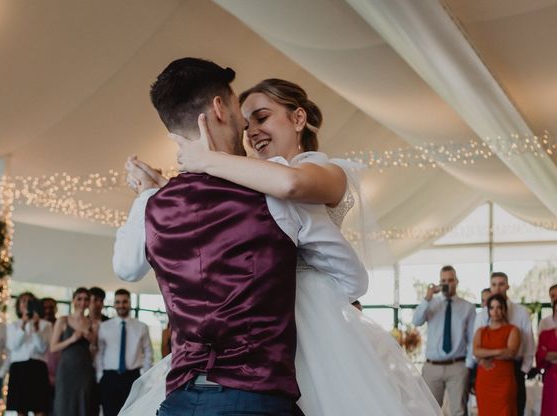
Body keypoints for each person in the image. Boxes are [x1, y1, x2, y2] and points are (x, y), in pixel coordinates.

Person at [116, 64, 440, 415]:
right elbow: (351, 277)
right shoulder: (261, 194)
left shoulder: (312, 173)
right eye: (247, 118)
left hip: (280, 342)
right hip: (260, 368)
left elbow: (291, 184)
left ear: (298, 119)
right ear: (221, 110)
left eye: (262, 117)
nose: (249, 130)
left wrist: (199, 165)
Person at [412, 265, 476, 416]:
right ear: (439, 283)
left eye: (450, 280)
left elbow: (472, 339)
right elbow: (416, 321)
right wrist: (427, 298)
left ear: (457, 281)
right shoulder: (431, 304)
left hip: (458, 367)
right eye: (443, 280)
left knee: (458, 411)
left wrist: (468, 366)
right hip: (432, 367)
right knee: (428, 410)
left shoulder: (468, 307)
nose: (447, 283)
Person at [473, 272, 534, 416]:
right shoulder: (481, 315)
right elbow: (475, 347)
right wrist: (482, 359)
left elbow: (529, 346)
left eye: (501, 284)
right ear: (490, 287)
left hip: (513, 371)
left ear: (507, 286)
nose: (498, 288)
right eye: (494, 284)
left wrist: (522, 371)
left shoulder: (521, 313)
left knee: (514, 410)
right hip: (486, 370)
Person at [96, 289, 153, 416]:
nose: (121, 305)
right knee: (109, 413)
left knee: (131, 413)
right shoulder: (104, 326)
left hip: (132, 378)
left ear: (130, 303)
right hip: (109, 378)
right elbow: (100, 352)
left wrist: (144, 375)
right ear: (114, 304)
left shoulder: (141, 326)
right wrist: (100, 375)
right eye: (118, 302)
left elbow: (148, 352)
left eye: (124, 302)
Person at [50, 287, 98, 416]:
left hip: (85, 371)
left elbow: (94, 352)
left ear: (89, 302)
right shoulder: (63, 321)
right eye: (79, 299)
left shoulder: (93, 324)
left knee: (83, 406)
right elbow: (53, 347)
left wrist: (92, 341)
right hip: (66, 371)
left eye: (86, 299)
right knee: (64, 405)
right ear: (73, 300)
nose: (82, 303)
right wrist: (71, 339)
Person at [473, 294, 520, 415]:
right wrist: (499, 351)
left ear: (504, 309)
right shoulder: (481, 331)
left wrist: (485, 355)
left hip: (504, 381)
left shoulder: (512, 330)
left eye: (499, 307)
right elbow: (476, 351)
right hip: (485, 381)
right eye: (492, 308)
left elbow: (510, 353)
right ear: (488, 311)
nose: (495, 311)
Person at [7, 292, 52, 416]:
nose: (26, 304)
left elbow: (42, 348)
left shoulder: (46, 325)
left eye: (29, 301)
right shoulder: (13, 326)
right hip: (19, 368)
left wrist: (36, 327)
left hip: (38, 368)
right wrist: (23, 324)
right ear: (18, 306)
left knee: (40, 408)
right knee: (20, 409)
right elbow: (13, 346)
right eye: (23, 301)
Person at [536, 299, 557, 416]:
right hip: (552, 379)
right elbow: (541, 355)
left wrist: (551, 355)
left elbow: (548, 354)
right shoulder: (546, 334)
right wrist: (548, 355)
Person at [40, 297, 60, 410]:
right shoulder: (37, 326)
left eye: (51, 307)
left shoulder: (61, 324)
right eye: (45, 308)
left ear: (56, 309)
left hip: (59, 375)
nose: (48, 310)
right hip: (40, 375)